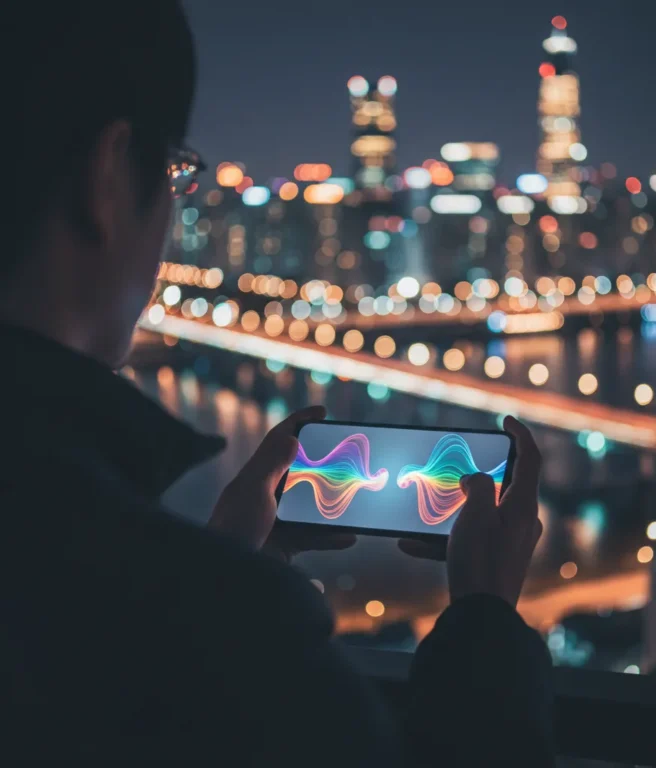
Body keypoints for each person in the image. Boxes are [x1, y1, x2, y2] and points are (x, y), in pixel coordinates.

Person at [2, 2, 553, 765]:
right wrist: (486, 620)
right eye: (175, 174)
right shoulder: (237, 656)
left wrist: (225, 565)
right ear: (107, 179)